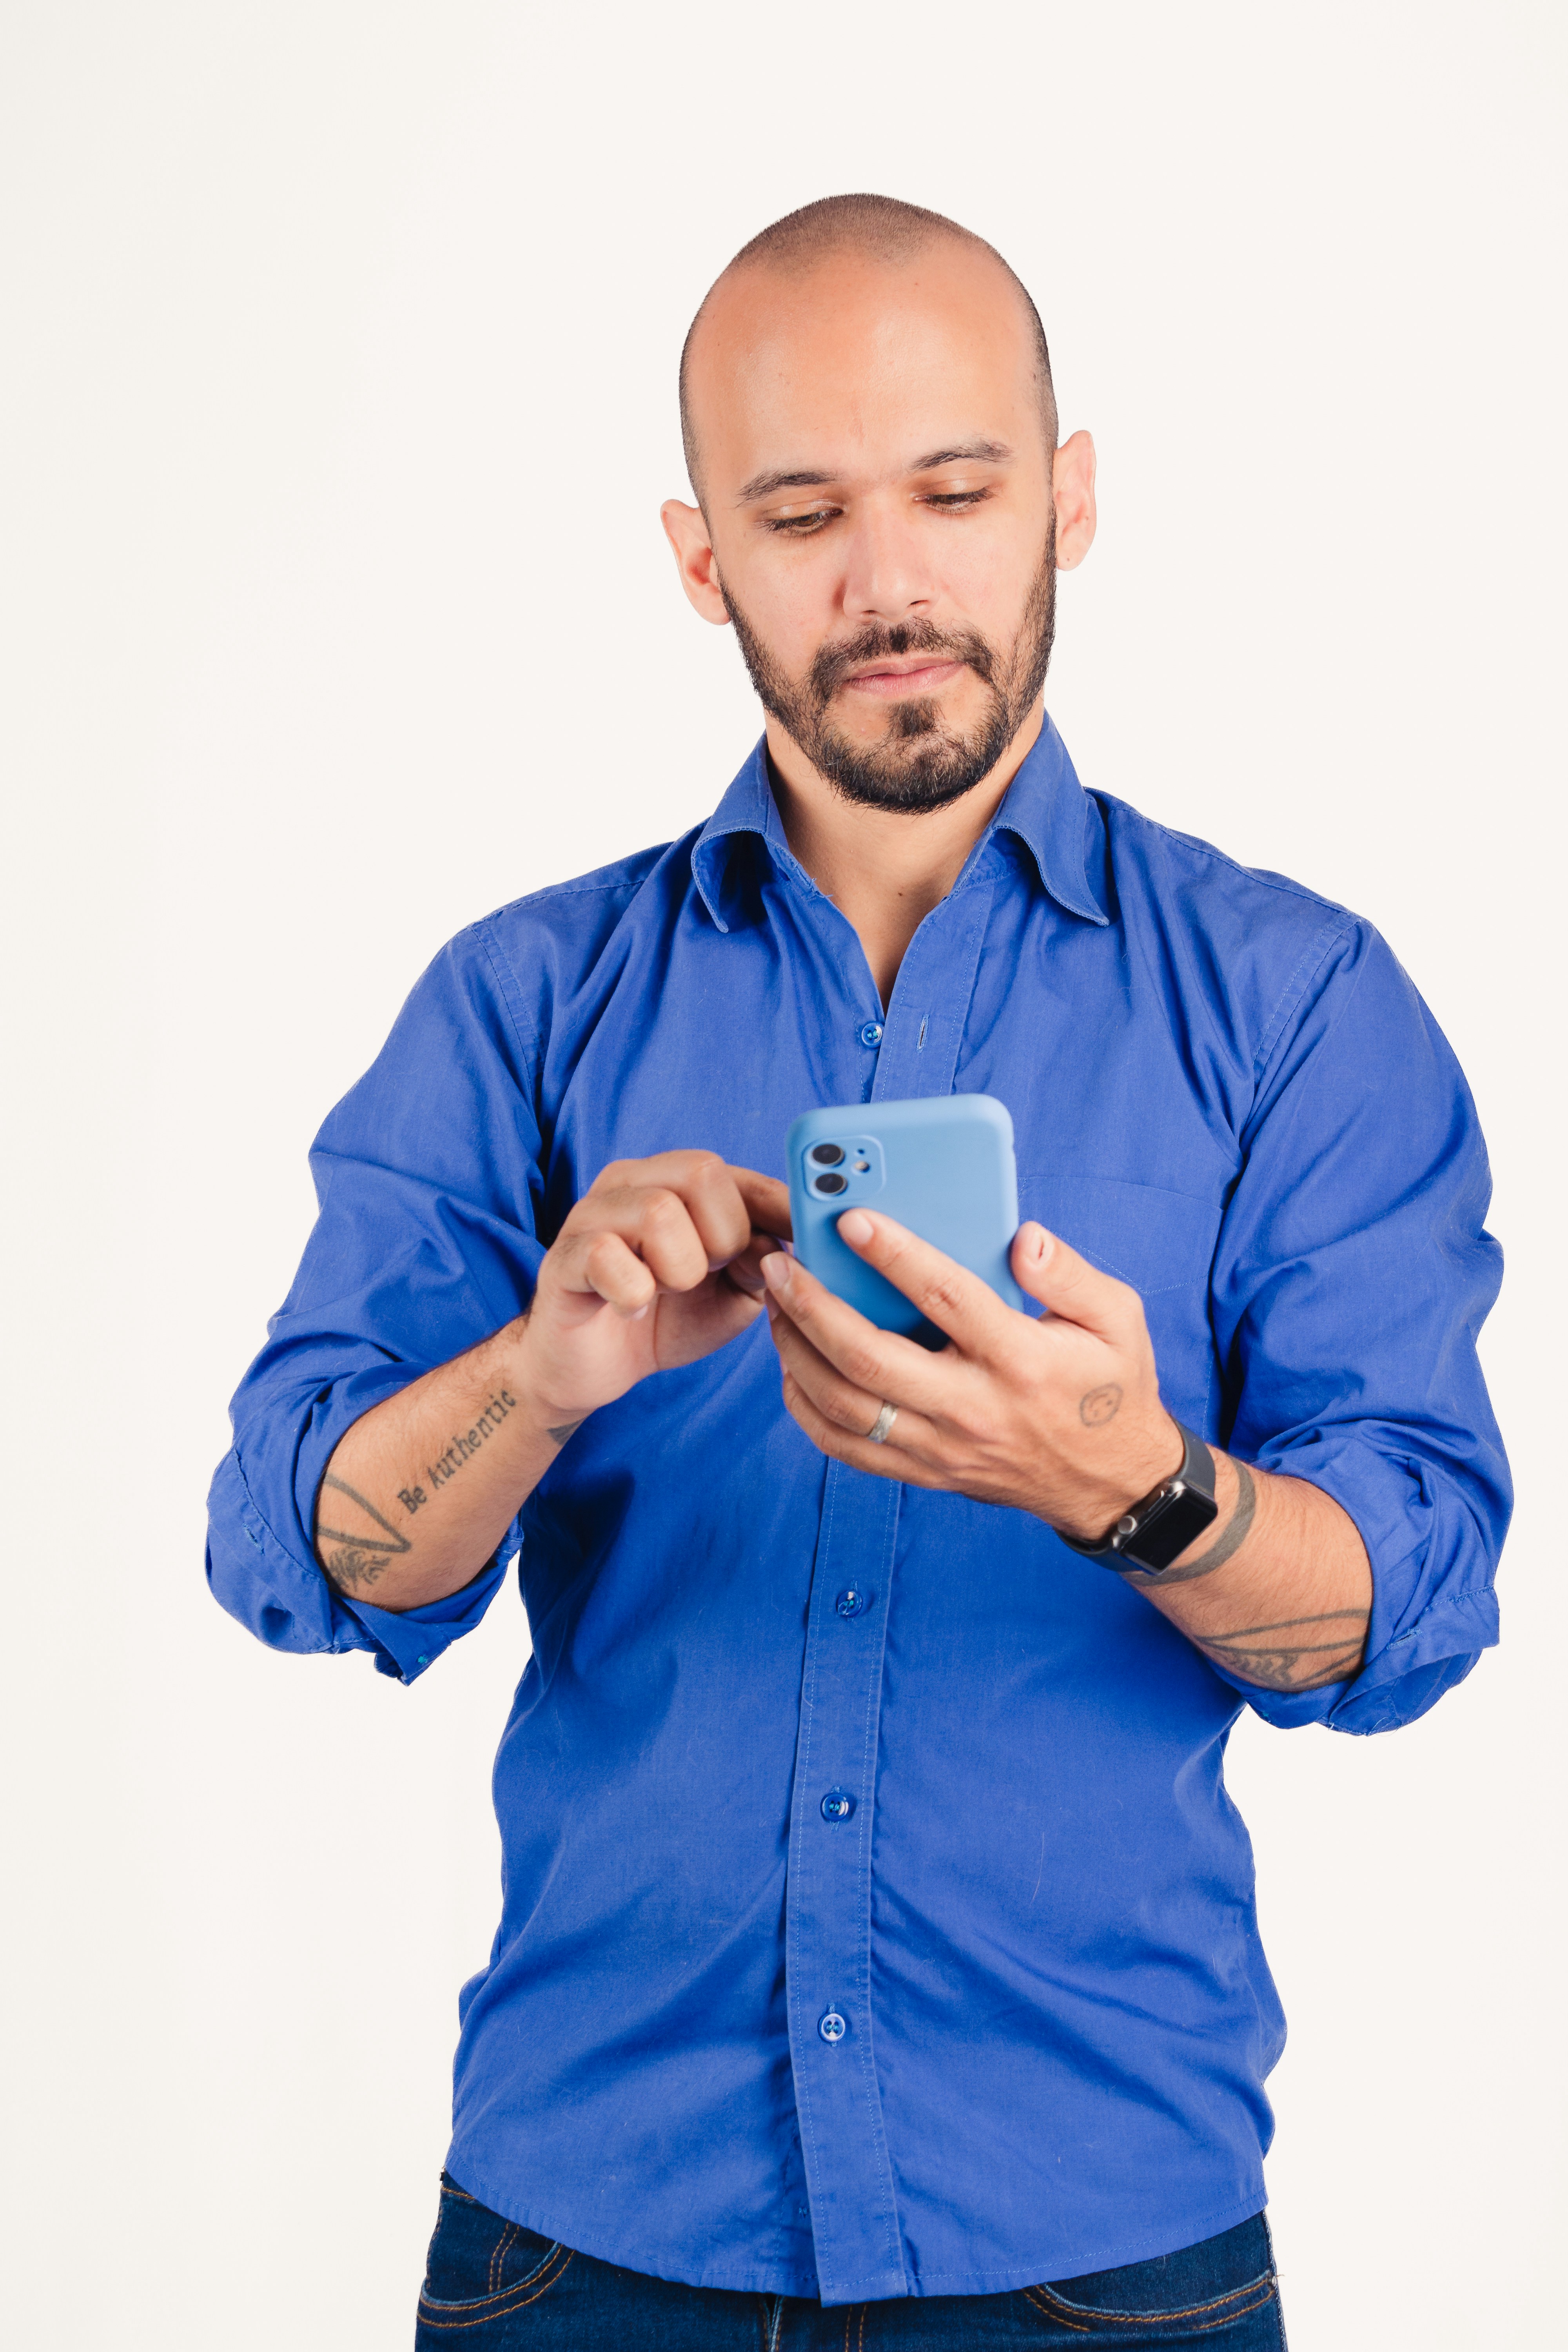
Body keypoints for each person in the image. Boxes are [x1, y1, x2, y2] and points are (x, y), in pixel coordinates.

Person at [207, 195, 1509, 2349]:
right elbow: (301, 1546)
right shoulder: (525, 1003)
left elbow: (1414, 1605)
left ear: (1069, 498)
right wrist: (538, 1378)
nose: (890, 583)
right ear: (700, 555)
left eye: (958, 489)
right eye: (802, 512)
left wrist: (1135, 1485)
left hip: (1100, 2255)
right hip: (578, 2244)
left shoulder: (1296, 1007)